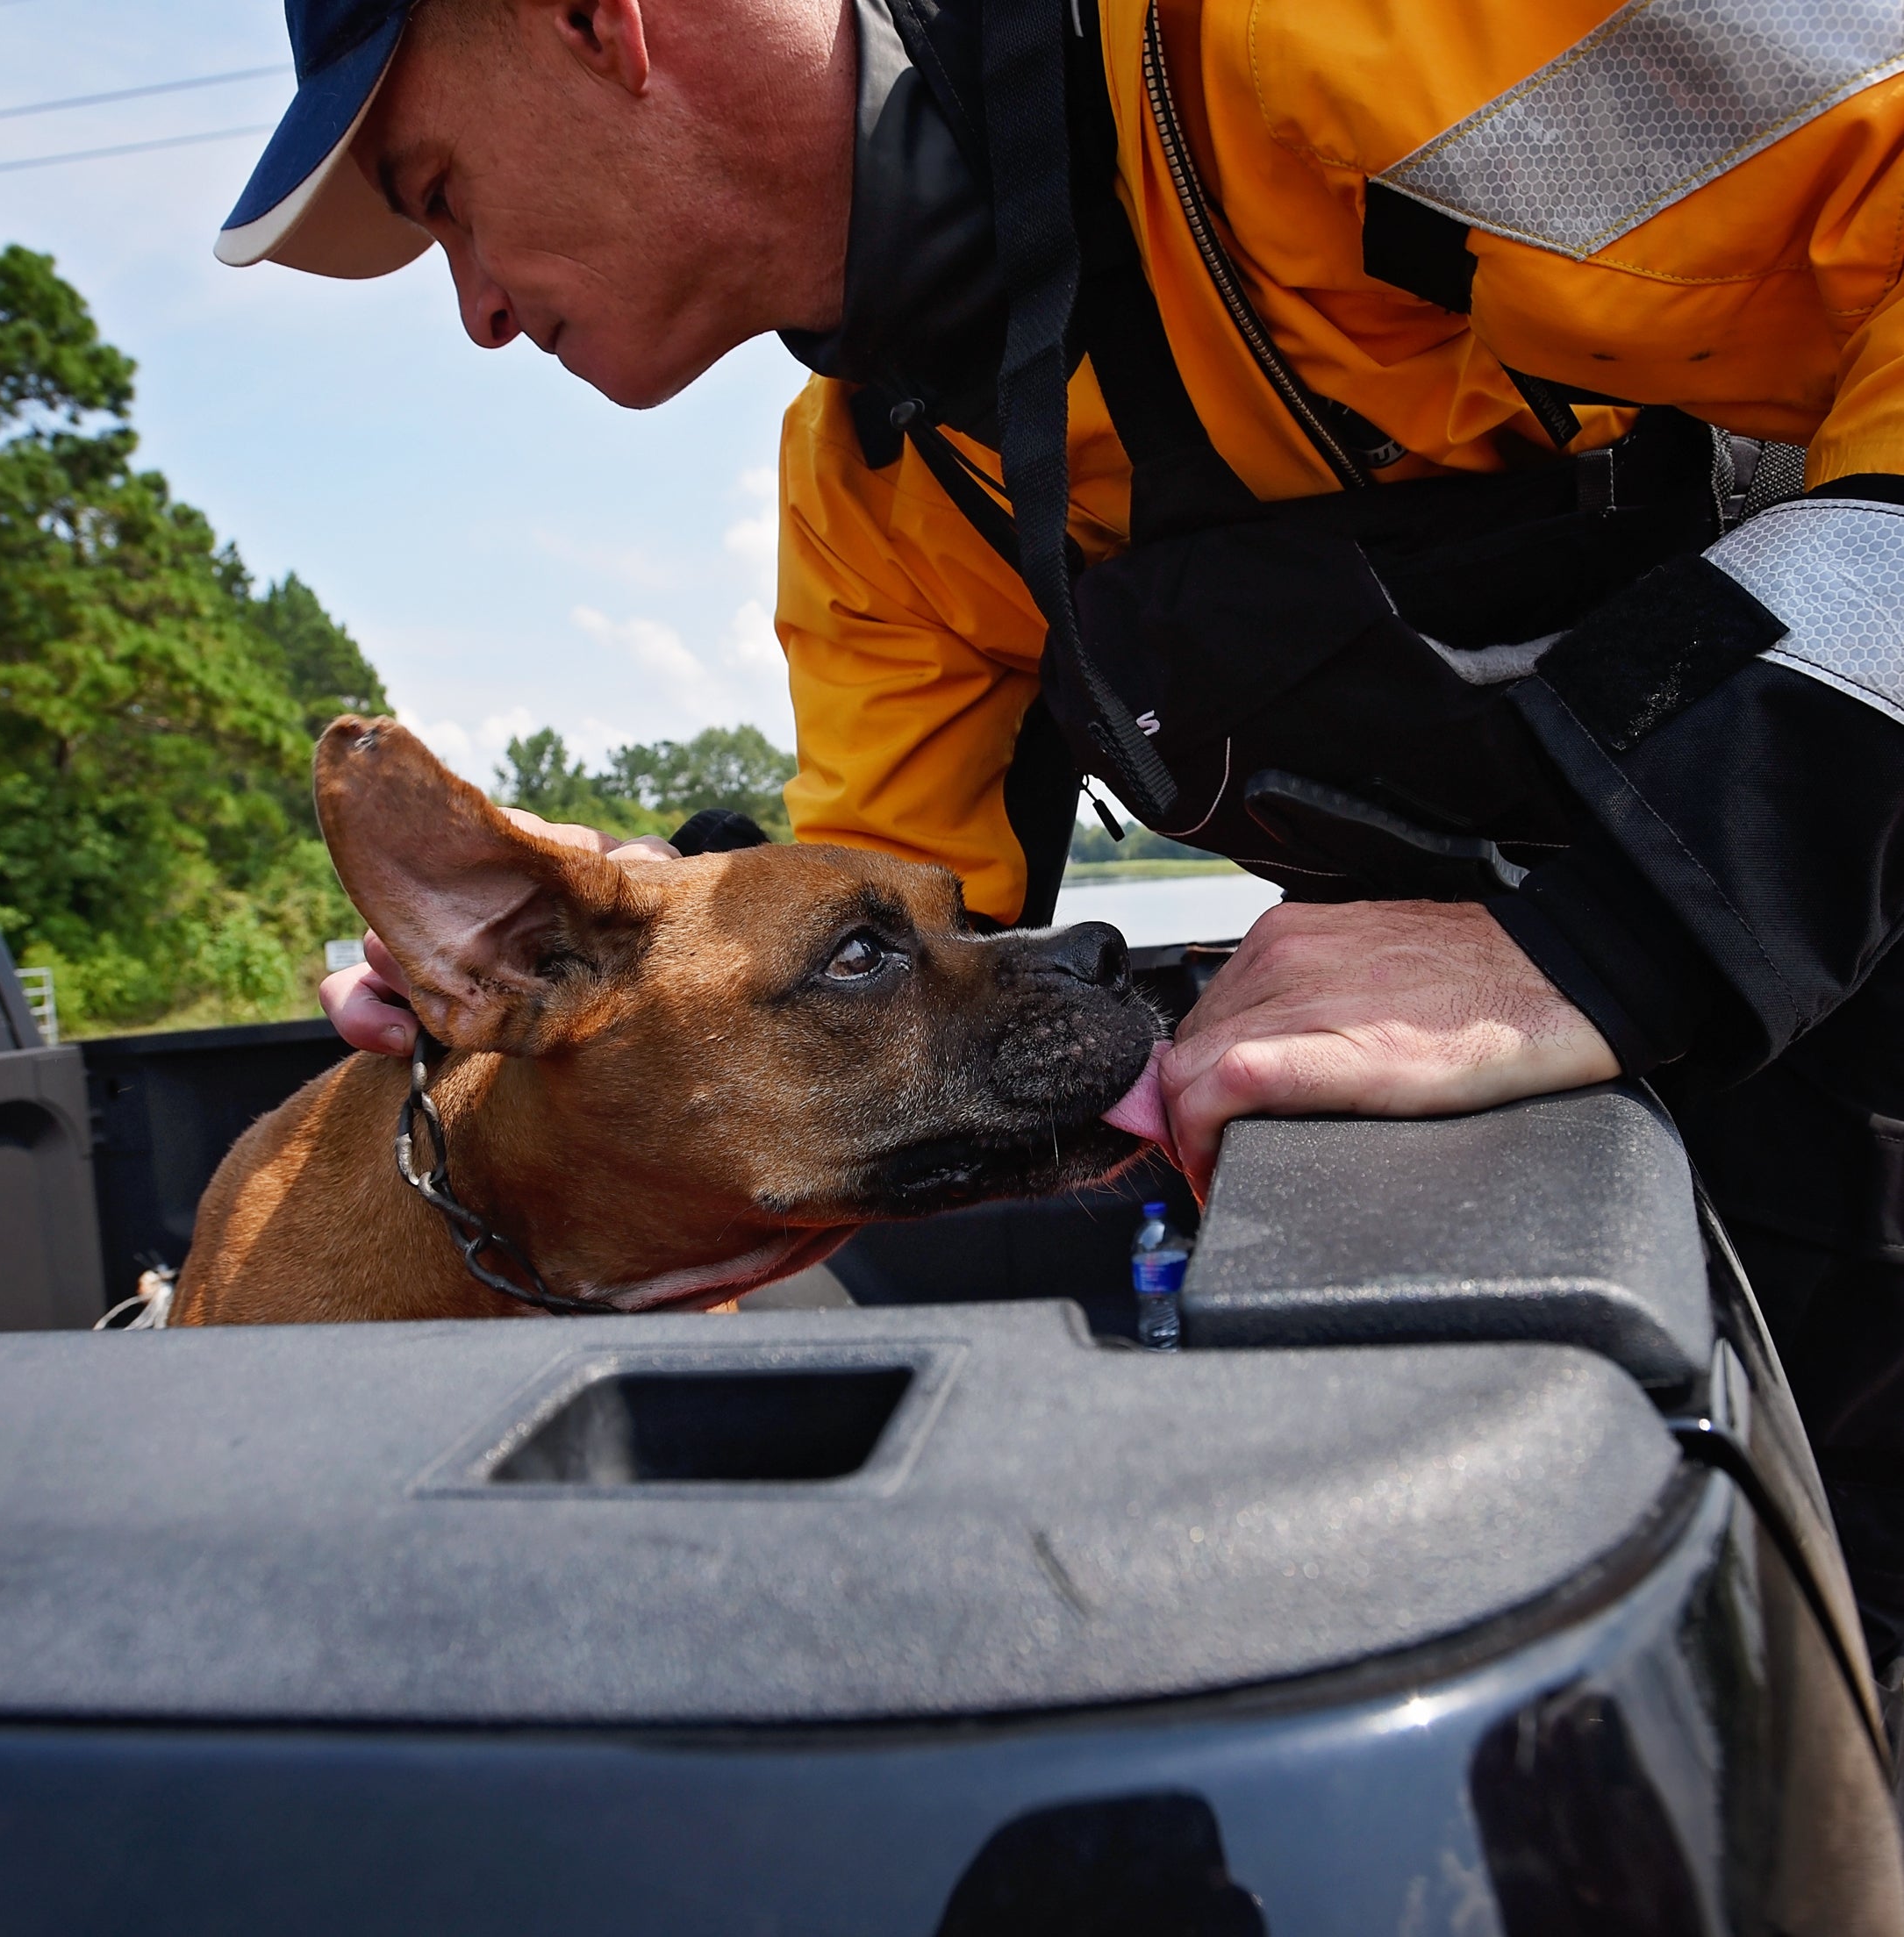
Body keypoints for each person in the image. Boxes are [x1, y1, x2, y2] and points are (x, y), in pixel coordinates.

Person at [216, 0, 1904, 1668]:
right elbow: (868, 933)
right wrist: (602, 951)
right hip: (1638, 1114)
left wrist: (1611, 929)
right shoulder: (876, 486)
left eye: (442, 195)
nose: (477, 309)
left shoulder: (1309, 35)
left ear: (600, 22)